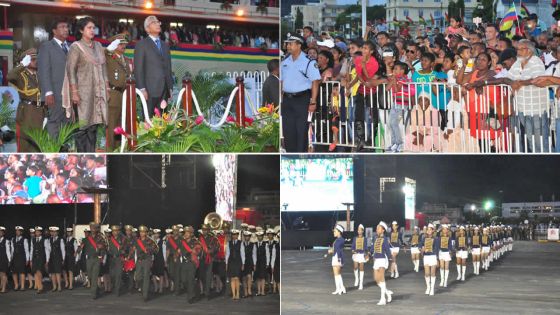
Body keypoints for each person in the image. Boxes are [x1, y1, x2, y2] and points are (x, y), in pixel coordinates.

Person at [63, 16, 110, 152]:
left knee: (94, 125)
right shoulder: (76, 47)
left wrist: (106, 88)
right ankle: (82, 156)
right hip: (83, 93)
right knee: (82, 126)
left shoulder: (98, 46)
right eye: (89, 28)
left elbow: (104, 68)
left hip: (97, 92)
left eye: (93, 28)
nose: (92, 30)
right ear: (81, 30)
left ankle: (91, 154)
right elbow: (70, 70)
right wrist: (74, 92)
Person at [281, 33, 321, 152]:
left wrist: (313, 102)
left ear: (299, 45)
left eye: (291, 44)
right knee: (288, 129)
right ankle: (290, 154)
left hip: (302, 99)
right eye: (287, 43)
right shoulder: (285, 61)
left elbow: (315, 82)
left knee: (301, 129)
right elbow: (282, 82)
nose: (288, 46)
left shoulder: (308, 61)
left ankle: (300, 154)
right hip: (287, 99)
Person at [134, 16, 174, 117]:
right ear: (147, 28)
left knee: (163, 121)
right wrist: (142, 89)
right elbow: (138, 69)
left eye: (158, 22)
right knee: (149, 122)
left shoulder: (165, 45)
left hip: (164, 91)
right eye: (154, 22)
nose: (157, 24)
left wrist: (170, 88)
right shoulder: (141, 45)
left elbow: (168, 68)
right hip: (149, 91)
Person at [7, 48, 45, 152]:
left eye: (36, 59)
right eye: (32, 59)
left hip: (40, 112)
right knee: (24, 145)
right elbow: (9, 76)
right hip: (26, 113)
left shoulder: (39, 75)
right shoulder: (20, 75)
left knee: (37, 145)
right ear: (26, 60)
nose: (35, 61)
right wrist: (22, 65)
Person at [38, 18, 70, 139]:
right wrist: (48, 92)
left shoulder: (70, 47)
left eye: (67, 27)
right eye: (62, 27)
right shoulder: (46, 47)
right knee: (54, 122)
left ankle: (64, 149)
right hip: (54, 93)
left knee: (67, 124)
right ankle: (53, 149)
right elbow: (43, 71)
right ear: (54, 31)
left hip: (68, 94)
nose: (66, 29)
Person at [105, 34, 132, 151]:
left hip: (125, 94)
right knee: (111, 124)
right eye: (120, 44)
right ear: (114, 45)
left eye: (125, 44)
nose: (123, 46)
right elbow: (103, 52)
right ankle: (110, 151)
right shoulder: (108, 57)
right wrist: (110, 48)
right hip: (114, 93)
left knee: (122, 123)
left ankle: (119, 149)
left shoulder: (126, 60)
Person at [353, 41, 380, 151]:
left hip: (372, 92)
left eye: (366, 48)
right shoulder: (358, 59)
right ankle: (361, 139)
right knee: (358, 116)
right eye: (363, 48)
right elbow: (359, 75)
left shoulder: (374, 63)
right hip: (361, 91)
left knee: (372, 117)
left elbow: (369, 78)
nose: (363, 50)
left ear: (371, 51)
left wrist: (364, 66)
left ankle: (372, 140)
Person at [79, 222, 107, 299]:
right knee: (90, 276)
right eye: (91, 227)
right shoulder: (86, 238)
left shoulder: (100, 237)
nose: (93, 229)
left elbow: (105, 247)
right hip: (89, 259)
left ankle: (93, 294)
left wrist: (102, 247)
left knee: (95, 276)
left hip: (96, 259)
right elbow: (81, 247)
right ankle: (96, 289)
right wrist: (78, 251)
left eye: (94, 227)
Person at [132, 225, 158, 302]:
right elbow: (134, 250)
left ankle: (145, 295)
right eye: (140, 232)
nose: (141, 233)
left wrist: (148, 249)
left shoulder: (150, 240)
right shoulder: (137, 240)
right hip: (139, 261)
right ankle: (143, 289)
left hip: (147, 260)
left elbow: (156, 250)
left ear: (146, 233)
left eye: (143, 232)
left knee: (146, 277)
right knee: (138, 277)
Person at [370, 221, 394, 305]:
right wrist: (369, 254)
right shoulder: (375, 237)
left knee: (382, 278)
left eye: (378, 228)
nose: (376, 229)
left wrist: (391, 262)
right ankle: (387, 293)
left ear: (383, 230)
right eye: (376, 228)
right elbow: (372, 248)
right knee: (376, 279)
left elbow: (388, 251)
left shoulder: (385, 239)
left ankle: (383, 299)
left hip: (383, 259)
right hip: (376, 260)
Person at [178, 226, 201, 304]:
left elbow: (199, 251)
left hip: (191, 263)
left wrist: (193, 251)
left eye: (188, 232)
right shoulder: (182, 242)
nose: (186, 234)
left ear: (191, 234)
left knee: (190, 280)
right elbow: (179, 251)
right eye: (185, 232)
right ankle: (195, 290)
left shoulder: (195, 242)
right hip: (184, 263)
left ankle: (190, 297)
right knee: (184, 280)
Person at [198, 224, 218, 300]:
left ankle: (207, 293)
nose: (204, 231)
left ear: (209, 230)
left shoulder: (213, 238)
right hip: (202, 259)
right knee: (202, 276)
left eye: (206, 229)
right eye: (203, 229)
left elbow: (217, 247)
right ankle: (203, 290)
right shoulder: (200, 239)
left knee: (208, 276)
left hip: (209, 259)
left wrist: (212, 250)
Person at [107, 225, 128, 296]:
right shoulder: (109, 240)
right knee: (112, 275)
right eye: (113, 231)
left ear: (118, 231)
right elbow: (107, 249)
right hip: (112, 259)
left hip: (119, 259)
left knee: (118, 275)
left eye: (116, 231)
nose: (115, 232)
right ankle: (116, 285)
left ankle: (117, 290)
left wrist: (124, 251)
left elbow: (126, 248)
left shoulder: (122, 239)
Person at [420, 223, 439, 296]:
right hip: (426, 257)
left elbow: (436, 249)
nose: (428, 231)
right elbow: (420, 245)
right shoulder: (424, 238)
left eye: (430, 229)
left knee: (432, 273)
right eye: (427, 229)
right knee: (427, 274)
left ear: (432, 231)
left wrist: (437, 259)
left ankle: (432, 288)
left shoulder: (436, 239)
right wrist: (422, 249)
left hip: (433, 256)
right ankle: (428, 287)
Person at [30, 226, 48, 294]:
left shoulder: (44, 240)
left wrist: (47, 259)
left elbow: (47, 250)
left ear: (40, 232)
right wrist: (30, 259)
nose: (36, 233)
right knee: (35, 272)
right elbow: (32, 250)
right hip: (35, 258)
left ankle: (40, 287)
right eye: (36, 232)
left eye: (38, 231)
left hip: (41, 258)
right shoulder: (33, 240)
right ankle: (39, 286)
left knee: (39, 272)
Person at [329, 224, 346, 295]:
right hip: (335, 257)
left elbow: (337, 248)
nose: (334, 232)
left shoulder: (341, 240)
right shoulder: (336, 240)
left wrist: (331, 250)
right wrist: (331, 250)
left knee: (338, 274)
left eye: (335, 231)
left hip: (338, 257)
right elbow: (334, 248)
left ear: (339, 232)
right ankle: (339, 288)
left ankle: (341, 288)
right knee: (336, 274)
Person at [10, 226, 29, 291]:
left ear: (21, 232)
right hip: (15, 257)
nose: (17, 232)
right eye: (16, 231)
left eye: (18, 231)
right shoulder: (13, 239)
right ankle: (16, 285)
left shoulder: (24, 240)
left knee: (22, 272)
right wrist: (11, 258)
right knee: (14, 272)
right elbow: (12, 250)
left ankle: (22, 286)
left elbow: (26, 250)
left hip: (22, 258)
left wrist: (27, 259)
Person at [47, 226, 65, 292]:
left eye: (54, 232)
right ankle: (54, 286)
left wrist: (63, 259)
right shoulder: (49, 240)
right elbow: (48, 250)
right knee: (52, 273)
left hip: (58, 258)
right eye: (52, 232)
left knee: (58, 272)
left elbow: (63, 250)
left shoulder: (60, 240)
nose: (53, 233)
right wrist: (47, 259)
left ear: (57, 233)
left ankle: (59, 286)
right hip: (51, 258)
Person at [351, 224, 368, 290]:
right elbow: (352, 246)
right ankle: (356, 279)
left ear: (362, 231)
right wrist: (352, 250)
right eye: (358, 230)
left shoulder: (365, 239)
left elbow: (366, 247)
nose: (359, 231)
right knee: (355, 267)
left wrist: (366, 254)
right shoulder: (355, 238)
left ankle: (361, 284)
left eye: (360, 230)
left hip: (362, 255)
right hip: (356, 254)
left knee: (361, 268)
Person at [166, 225, 182, 295]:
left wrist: (176, 256)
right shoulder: (170, 239)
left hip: (178, 258)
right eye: (174, 230)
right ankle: (177, 284)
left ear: (178, 231)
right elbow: (168, 250)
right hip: (171, 258)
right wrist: (166, 260)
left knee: (177, 274)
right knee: (171, 273)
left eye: (176, 230)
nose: (175, 232)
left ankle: (177, 291)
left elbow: (181, 250)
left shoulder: (181, 239)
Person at [226, 229, 242, 300]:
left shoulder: (240, 243)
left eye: (236, 234)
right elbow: (227, 254)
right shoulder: (228, 243)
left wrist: (243, 263)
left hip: (238, 262)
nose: (234, 236)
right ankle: (233, 294)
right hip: (231, 262)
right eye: (233, 234)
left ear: (238, 235)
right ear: (232, 236)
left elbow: (242, 254)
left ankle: (238, 293)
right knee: (232, 279)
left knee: (237, 278)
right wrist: (226, 263)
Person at [241, 230, 256, 298]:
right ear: (244, 237)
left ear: (250, 237)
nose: (247, 237)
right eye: (245, 236)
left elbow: (254, 255)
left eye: (248, 236)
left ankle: (249, 290)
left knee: (249, 276)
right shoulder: (241, 244)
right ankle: (245, 292)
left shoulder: (253, 244)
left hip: (250, 262)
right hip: (243, 263)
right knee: (244, 278)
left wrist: (254, 264)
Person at [254, 230, 269, 296]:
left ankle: (263, 291)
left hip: (263, 262)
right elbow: (254, 254)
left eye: (261, 236)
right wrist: (254, 263)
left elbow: (267, 254)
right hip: (257, 263)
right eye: (258, 236)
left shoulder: (266, 244)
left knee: (263, 277)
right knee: (258, 278)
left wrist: (267, 263)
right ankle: (259, 291)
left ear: (262, 237)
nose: (259, 237)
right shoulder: (255, 244)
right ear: (257, 237)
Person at [151, 229, 165, 294]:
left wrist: (165, 261)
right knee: (153, 274)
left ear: (159, 234)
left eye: (157, 234)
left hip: (160, 259)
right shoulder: (152, 242)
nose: (156, 235)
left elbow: (164, 252)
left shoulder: (162, 242)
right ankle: (156, 287)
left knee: (161, 274)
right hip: (154, 260)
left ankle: (161, 288)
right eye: (154, 233)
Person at [0, 226, 12, 293]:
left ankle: (4, 288)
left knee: (3, 274)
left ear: (3, 233)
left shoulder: (6, 241)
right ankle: (1, 286)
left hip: (4, 259)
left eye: (1, 232)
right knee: (0, 274)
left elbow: (8, 251)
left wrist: (9, 260)